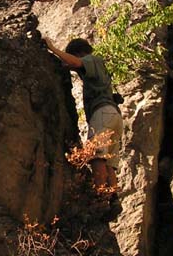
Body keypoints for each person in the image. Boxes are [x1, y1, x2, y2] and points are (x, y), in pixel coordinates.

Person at [44, 37, 123, 191]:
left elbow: (76, 63)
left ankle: (100, 192)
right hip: (114, 116)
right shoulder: (100, 69)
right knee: (109, 163)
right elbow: (74, 66)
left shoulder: (91, 59)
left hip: (102, 114)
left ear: (79, 53)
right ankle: (112, 197)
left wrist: (53, 49)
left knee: (96, 156)